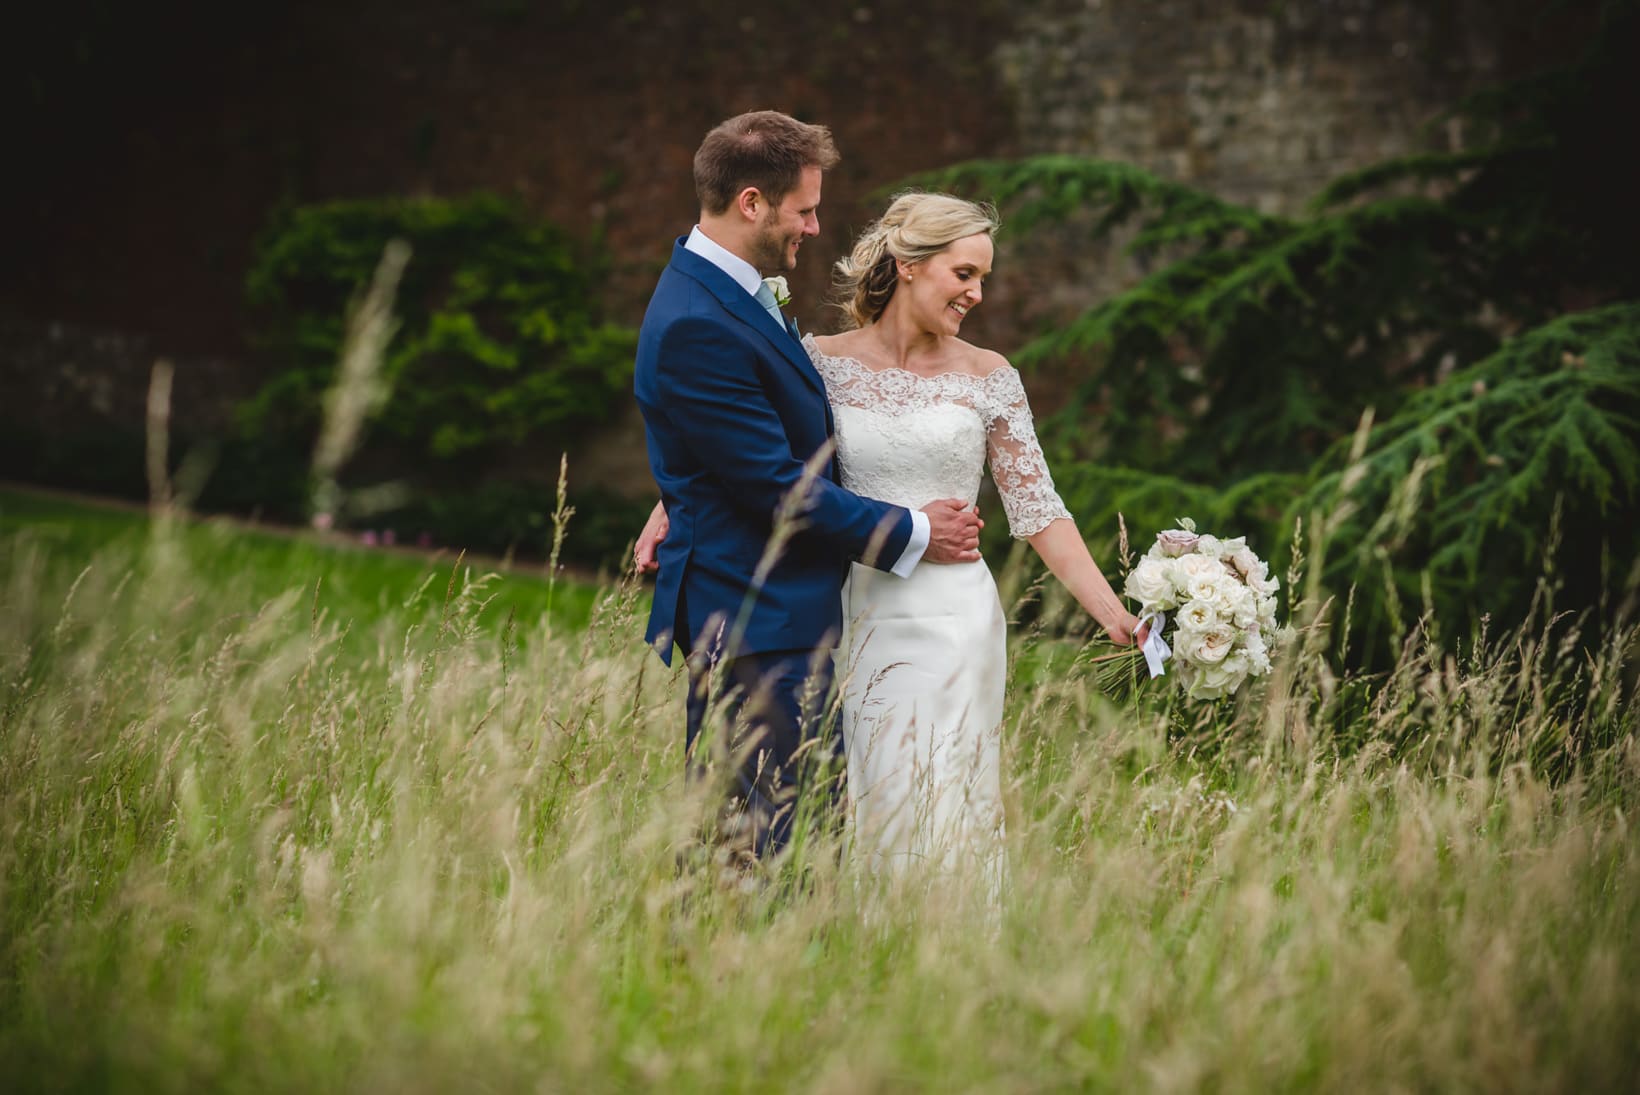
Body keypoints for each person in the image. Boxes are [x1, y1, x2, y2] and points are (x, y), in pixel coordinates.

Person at [632, 112, 984, 864]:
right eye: (805, 210)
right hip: (759, 623)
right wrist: (916, 532)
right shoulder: (699, 319)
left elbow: (751, 436)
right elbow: (771, 483)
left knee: (780, 839)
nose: (817, 228)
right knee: (769, 849)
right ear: (752, 202)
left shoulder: (734, 291)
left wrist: (675, 497)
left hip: (784, 616)